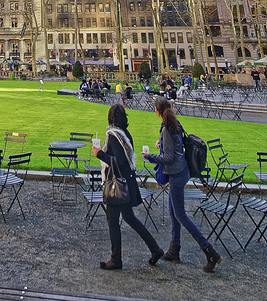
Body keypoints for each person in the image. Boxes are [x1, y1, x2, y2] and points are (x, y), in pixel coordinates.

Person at [144, 97, 222, 272]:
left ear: (157, 111)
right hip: (182, 171)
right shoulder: (174, 124)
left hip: (177, 174)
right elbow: (175, 147)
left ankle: (209, 251)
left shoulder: (166, 129)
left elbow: (168, 158)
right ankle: (174, 249)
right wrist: (162, 145)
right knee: (174, 212)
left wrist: (150, 157)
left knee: (180, 215)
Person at [92, 104, 164, 270]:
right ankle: (155, 249)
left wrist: (99, 154)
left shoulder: (113, 136)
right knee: (130, 218)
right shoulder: (125, 135)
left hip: (117, 185)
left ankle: (116, 259)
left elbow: (118, 161)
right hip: (127, 182)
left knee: (113, 222)